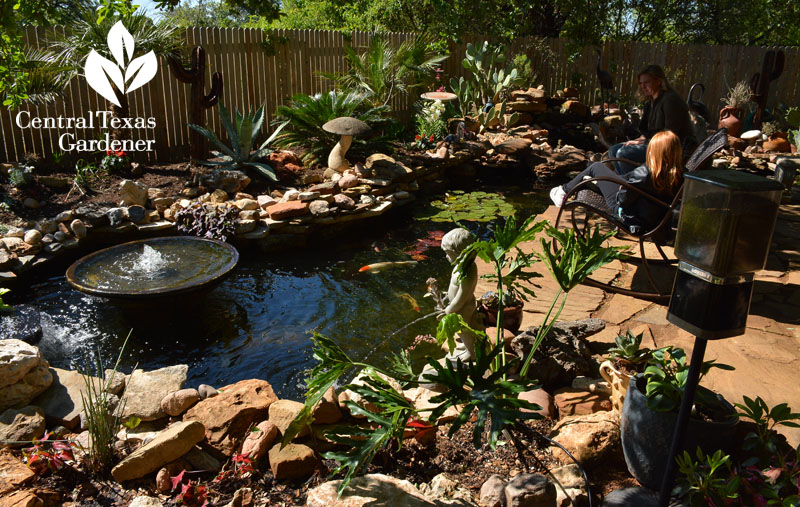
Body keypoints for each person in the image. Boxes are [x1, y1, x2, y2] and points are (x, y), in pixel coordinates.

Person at [550, 130, 684, 233]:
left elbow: (623, 200)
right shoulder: (678, 174)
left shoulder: (644, 173)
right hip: (652, 217)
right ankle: (580, 186)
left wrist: (620, 189)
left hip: (629, 215)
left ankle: (564, 191)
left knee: (596, 167)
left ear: (653, 151)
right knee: (605, 175)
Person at [609, 65, 692, 175]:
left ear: (658, 81)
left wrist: (645, 142)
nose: (643, 87)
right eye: (641, 83)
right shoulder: (651, 102)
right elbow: (647, 131)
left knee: (623, 154)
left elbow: (670, 136)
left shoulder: (670, 100)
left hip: (670, 149)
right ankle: (625, 181)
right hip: (653, 143)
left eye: (646, 83)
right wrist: (638, 140)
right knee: (613, 150)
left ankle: (634, 186)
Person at [439, 227, 482, 361]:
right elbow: (453, 287)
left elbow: (463, 296)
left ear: (460, 253)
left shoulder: (467, 273)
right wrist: (447, 296)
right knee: (465, 329)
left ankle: (471, 353)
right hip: (459, 306)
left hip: (463, 308)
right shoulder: (460, 267)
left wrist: (451, 309)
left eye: (448, 253)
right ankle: (468, 345)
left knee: (464, 329)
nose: (446, 256)